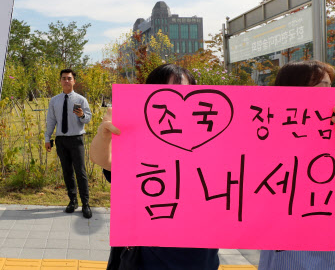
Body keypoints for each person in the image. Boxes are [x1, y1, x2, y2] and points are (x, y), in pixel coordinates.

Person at [90, 64, 219, 270]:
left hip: (199, 256)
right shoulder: (140, 141)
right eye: (166, 93)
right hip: (147, 257)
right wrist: (103, 135)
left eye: (185, 93)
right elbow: (104, 160)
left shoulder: (216, 141)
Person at [258, 60, 335, 269]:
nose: (330, 98)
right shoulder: (266, 145)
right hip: (292, 261)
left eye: (331, 89)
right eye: (319, 90)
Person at [45, 68, 93, 218]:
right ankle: (73, 201)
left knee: (81, 172)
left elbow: (88, 118)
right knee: (67, 172)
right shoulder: (54, 100)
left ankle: (86, 204)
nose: (66, 81)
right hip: (61, 140)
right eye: (64, 78)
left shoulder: (80, 100)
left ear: (74, 81)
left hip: (76, 139)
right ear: (60, 81)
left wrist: (82, 115)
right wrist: (47, 138)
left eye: (69, 78)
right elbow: (51, 121)